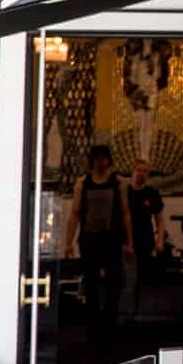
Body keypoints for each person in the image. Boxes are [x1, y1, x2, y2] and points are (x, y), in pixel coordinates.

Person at [63, 144, 132, 343]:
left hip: (111, 240)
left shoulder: (118, 183)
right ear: (92, 160)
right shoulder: (82, 183)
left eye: (104, 158)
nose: (101, 162)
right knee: (91, 286)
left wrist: (130, 243)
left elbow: (126, 214)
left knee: (113, 285)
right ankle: (93, 330)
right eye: (97, 158)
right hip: (90, 239)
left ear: (108, 160)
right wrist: (68, 242)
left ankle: (109, 329)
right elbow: (75, 214)